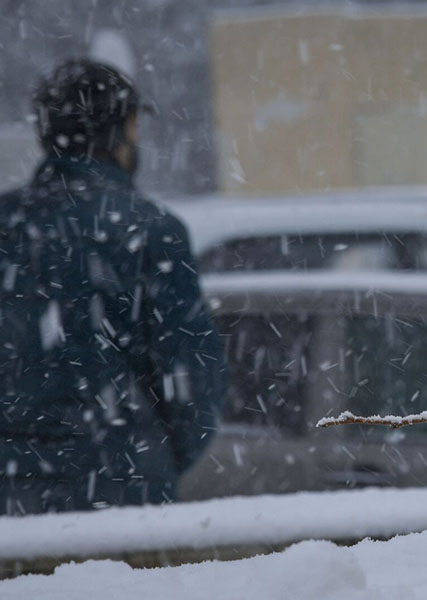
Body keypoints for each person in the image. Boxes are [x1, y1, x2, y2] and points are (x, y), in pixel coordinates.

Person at [0, 58, 226, 514]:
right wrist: (150, 460)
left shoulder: (9, 224)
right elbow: (191, 380)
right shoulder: (151, 231)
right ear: (121, 129)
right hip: (121, 495)